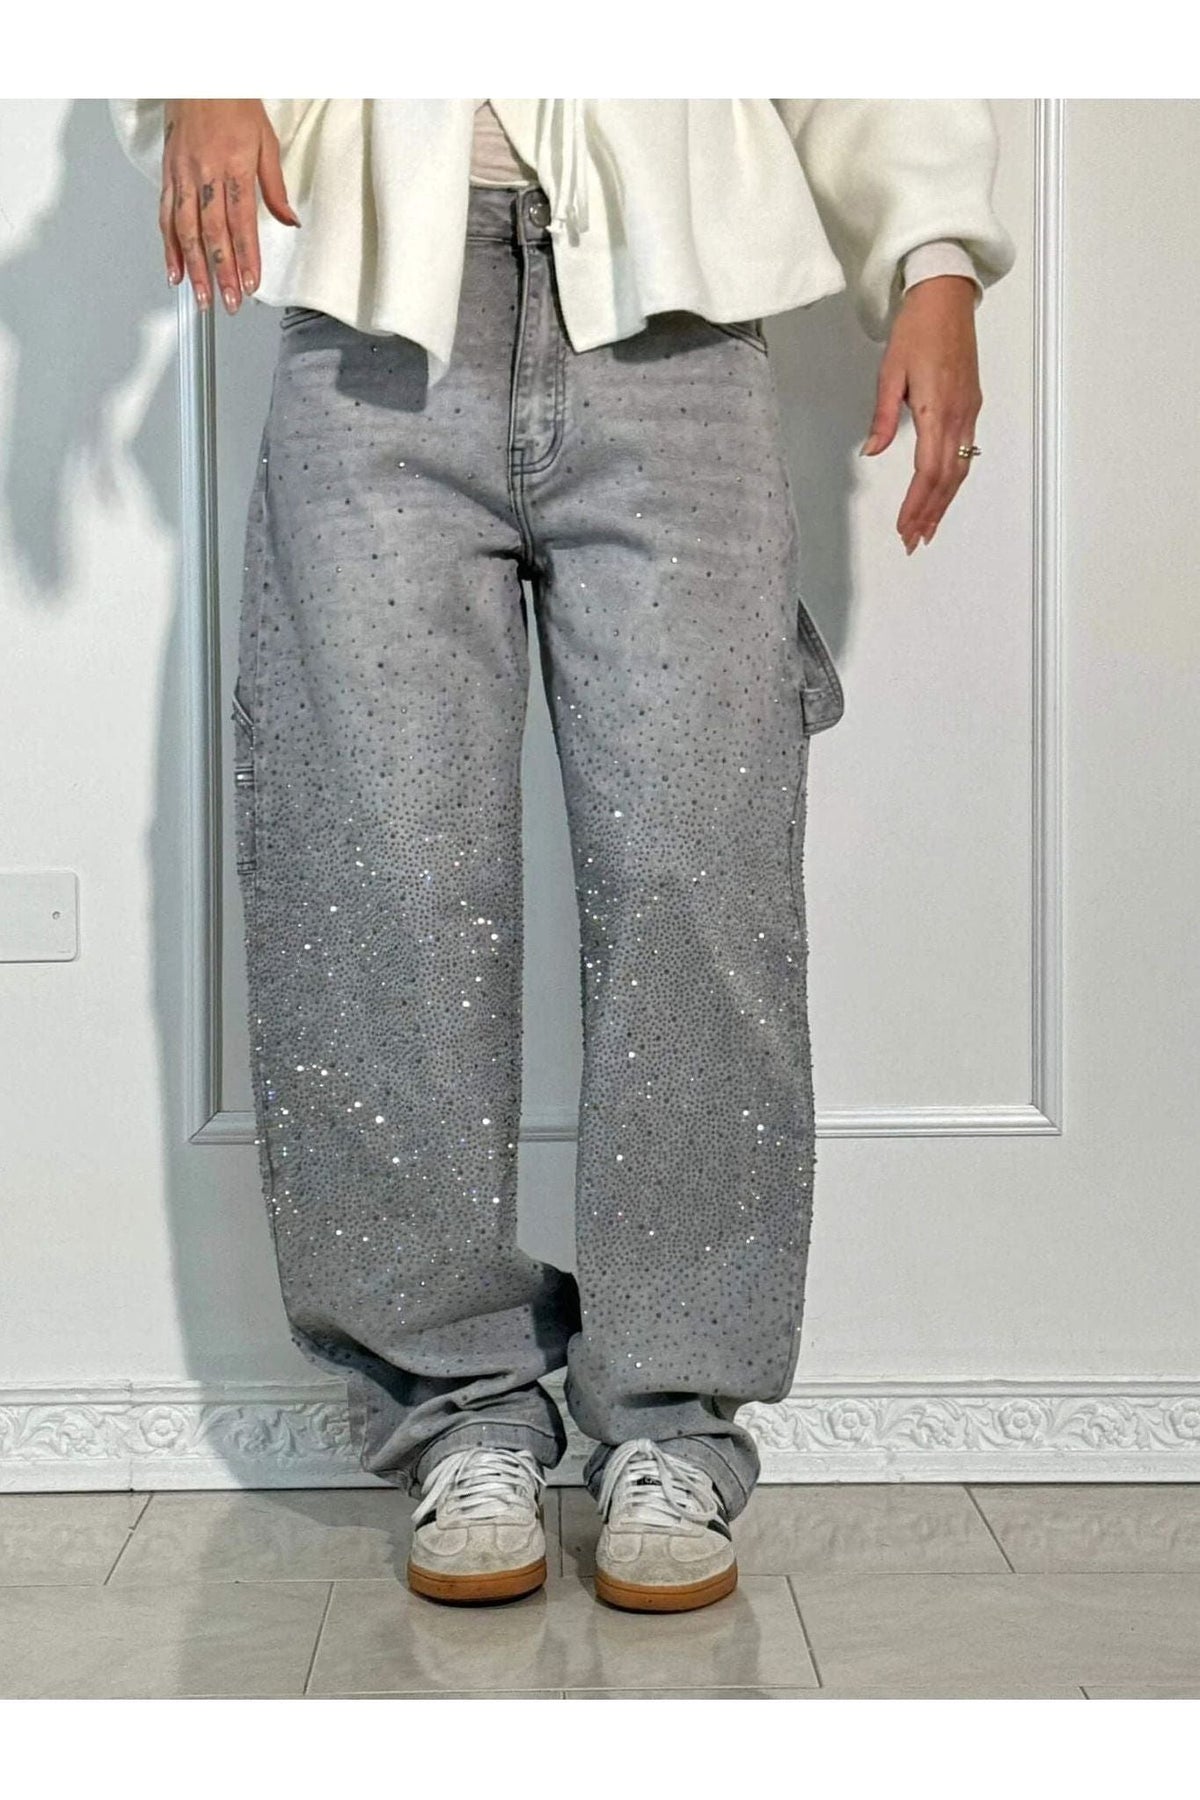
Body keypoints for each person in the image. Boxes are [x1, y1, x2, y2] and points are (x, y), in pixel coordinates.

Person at [111, 97, 1016, 1614]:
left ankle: (672, 1425)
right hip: (373, 314)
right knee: (377, 881)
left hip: (676, 326)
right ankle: (458, 1415)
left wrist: (933, 254)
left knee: (696, 879)